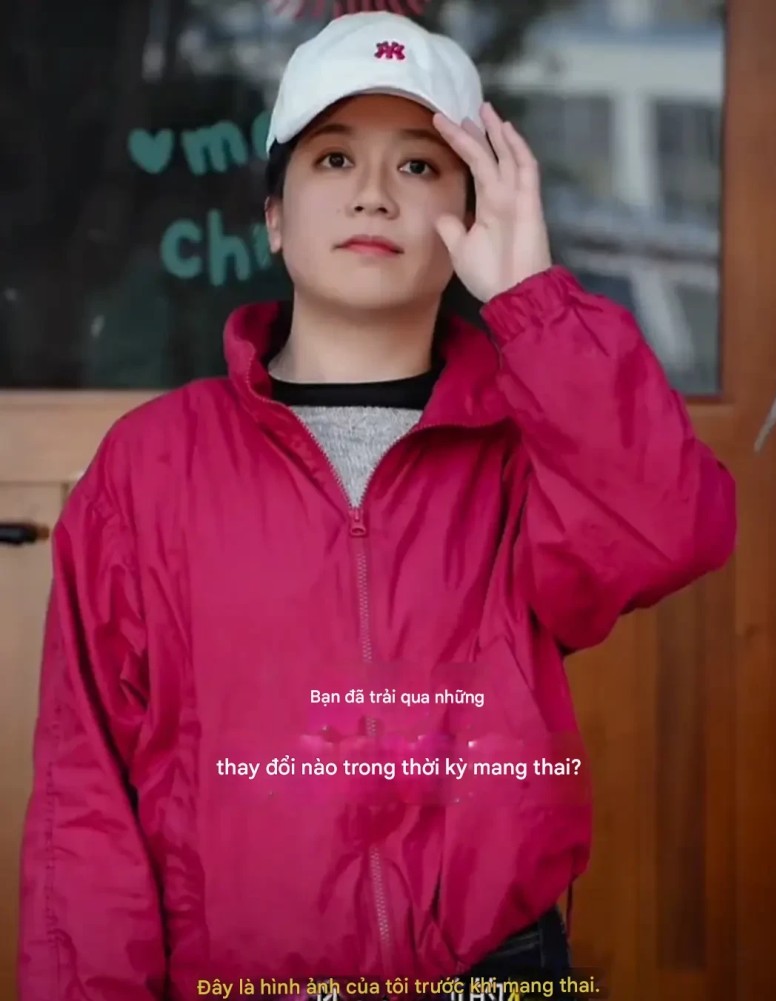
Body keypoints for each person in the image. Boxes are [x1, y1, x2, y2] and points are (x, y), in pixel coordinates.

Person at [17, 11, 736, 1001]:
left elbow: (670, 529)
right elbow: (85, 800)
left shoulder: (527, 452)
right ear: (274, 217)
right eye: (332, 158)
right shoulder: (149, 466)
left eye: (417, 165)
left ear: (469, 216)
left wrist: (531, 296)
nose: (372, 192)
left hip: (491, 976)